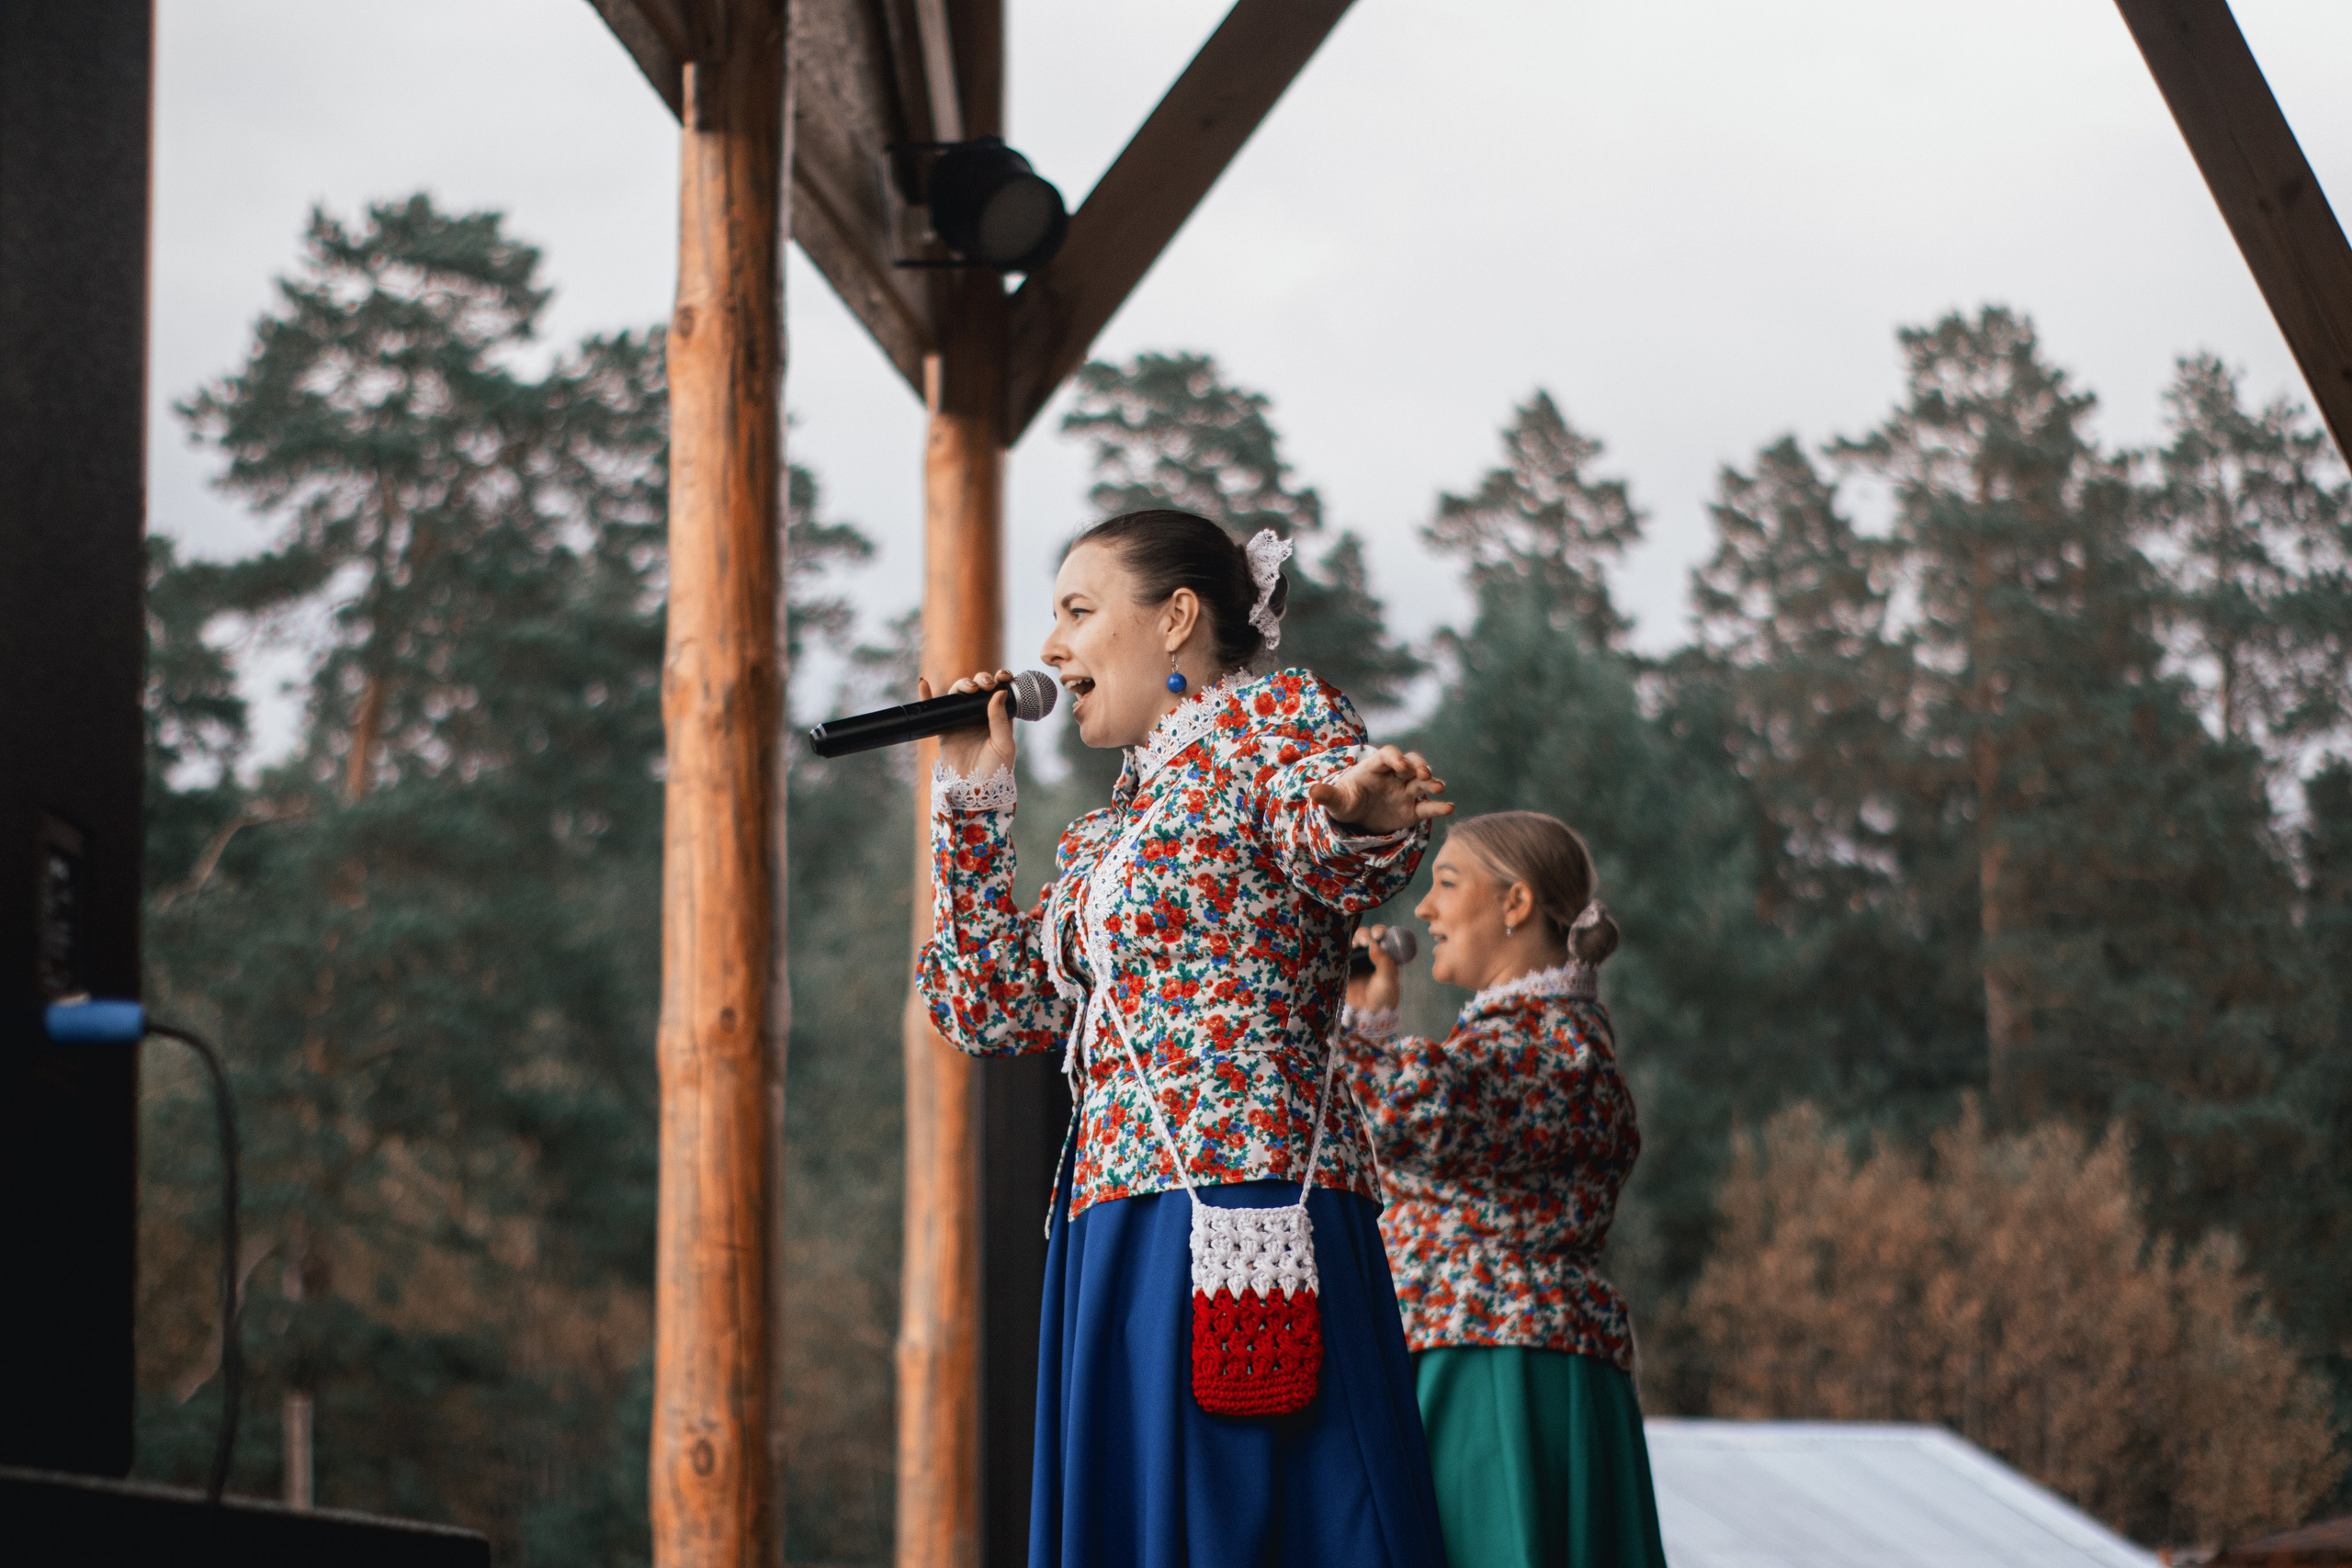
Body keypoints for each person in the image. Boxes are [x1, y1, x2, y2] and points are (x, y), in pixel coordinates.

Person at [915, 509, 1454, 1568]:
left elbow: (1327, 835)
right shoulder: (1108, 830)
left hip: (1244, 1207)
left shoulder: (1275, 723)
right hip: (1113, 1219)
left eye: (1077, 612)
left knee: (1254, 1521)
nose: (1052, 650)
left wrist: (1356, 810)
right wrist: (971, 797)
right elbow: (989, 1003)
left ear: (1176, 619)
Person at [1340, 810, 1667, 1568]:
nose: (1423, 908)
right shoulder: (1531, 1035)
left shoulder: (1556, 1042)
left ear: (1515, 903)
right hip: (1485, 1357)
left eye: (1446, 883)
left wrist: (1349, 1024)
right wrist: (1366, 1022)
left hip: (1500, 1371)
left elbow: (1407, 1107)